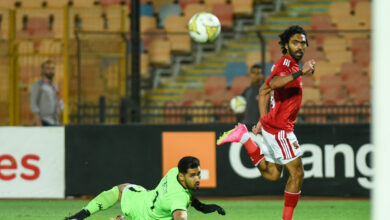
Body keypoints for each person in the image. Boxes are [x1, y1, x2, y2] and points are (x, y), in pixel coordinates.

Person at [217, 25, 315, 220]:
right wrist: (301, 73)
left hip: (272, 125)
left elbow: (263, 91)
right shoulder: (285, 65)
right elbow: (273, 84)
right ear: (286, 45)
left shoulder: (289, 65)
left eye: (303, 43)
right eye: (295, 42)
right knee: (297, 173)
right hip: (280, 128)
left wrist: (262, 120)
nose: (300, 46)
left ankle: (245, 138)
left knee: (272, 174)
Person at [64, 156, 225, 220]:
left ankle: (78, 217)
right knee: (123, 189)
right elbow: (180, 215)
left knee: (122, 188)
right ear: (182, 176)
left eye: (198, 174)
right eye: (193, 175)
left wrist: (202, 206)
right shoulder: (178, 199)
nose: (197, 179)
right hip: (140, 208)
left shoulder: (174, 172)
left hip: (145, 201)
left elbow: (187, 197)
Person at [30, 59, 63, 126]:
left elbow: (58, 102)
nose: (51, 70)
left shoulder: (54, 85)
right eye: (48, 68)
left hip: (55, 121)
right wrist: (38, 121)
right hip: (44, 121)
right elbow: (33, 103)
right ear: (43, 70)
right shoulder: (38, 85)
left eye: (52, 68)